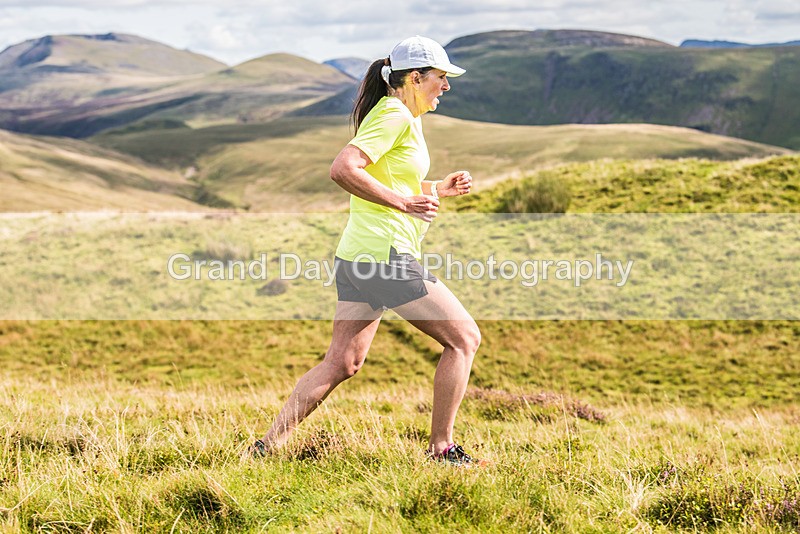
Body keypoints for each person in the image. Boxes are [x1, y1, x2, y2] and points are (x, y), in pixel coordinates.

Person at [250, 36, 482, 466]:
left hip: (359, 256)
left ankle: (264, 448)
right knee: (464, 339)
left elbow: (391, 179)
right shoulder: (393, 113)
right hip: (385, 256)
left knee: (342, 362)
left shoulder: (402, 117)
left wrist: (434, 190)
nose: (446, 86)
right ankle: (443, 449)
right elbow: (343, 168)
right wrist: (404, 203)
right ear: (415, 78)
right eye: (440, 77)